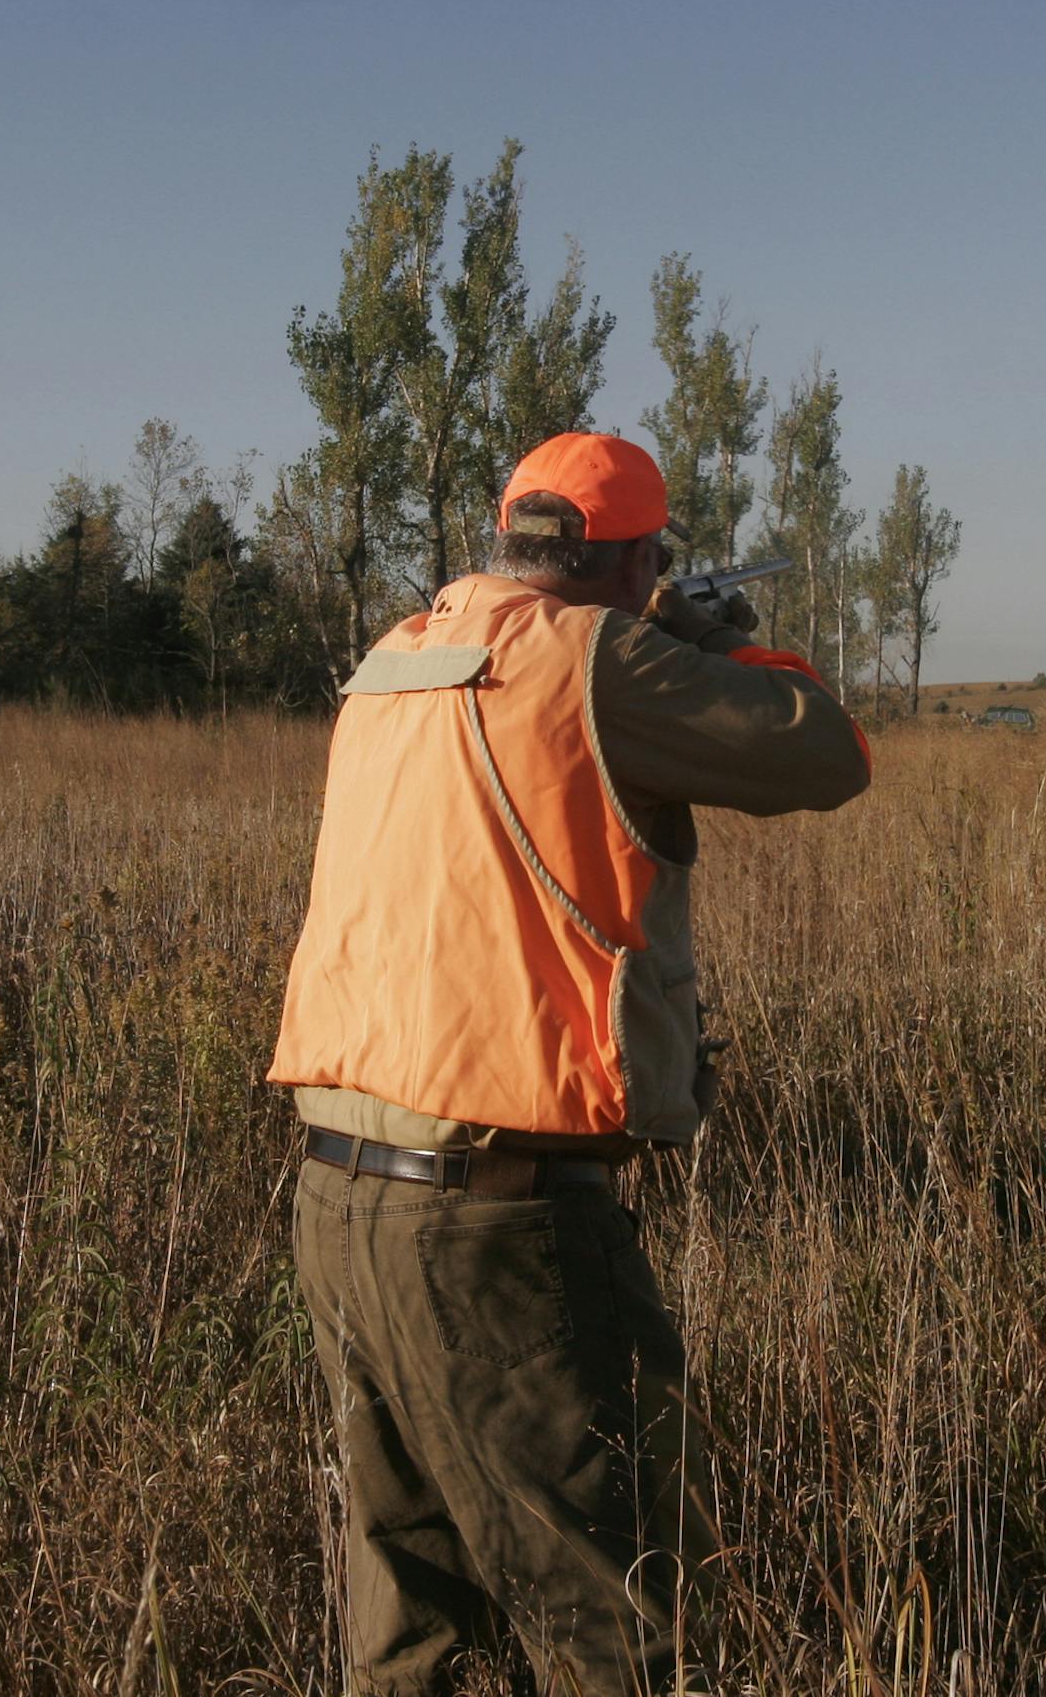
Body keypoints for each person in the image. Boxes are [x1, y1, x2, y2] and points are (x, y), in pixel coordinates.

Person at [270, 432, 871, 1694]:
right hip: (501, 1228)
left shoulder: (394, 659)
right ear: (636, 558)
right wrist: (717, 642)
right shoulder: (601, 652)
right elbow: (824, 751)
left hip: (334, 1199)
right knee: (635, 1626)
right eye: (653, 560)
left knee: (408, 1634)